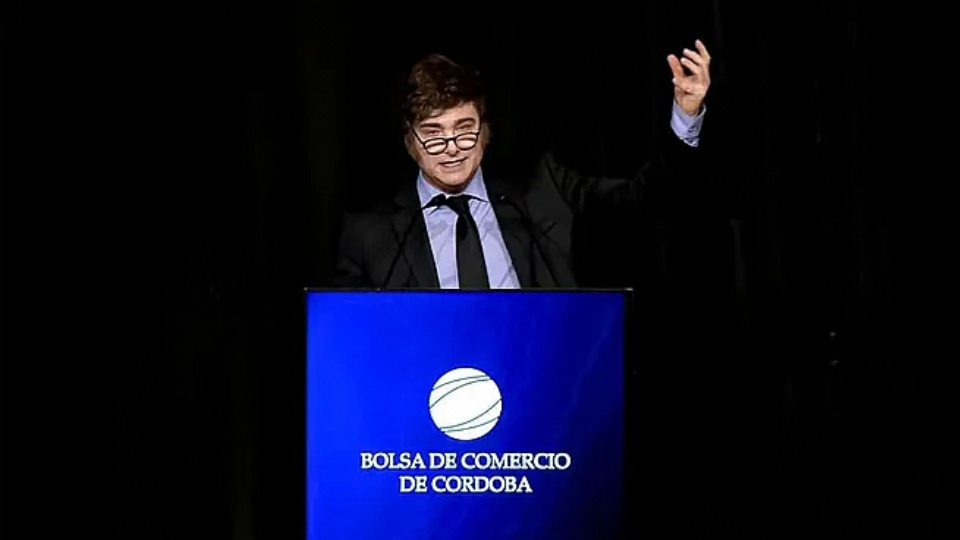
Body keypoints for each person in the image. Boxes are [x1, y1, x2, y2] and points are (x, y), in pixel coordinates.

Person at [333, 40, 712, 289]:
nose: (452, 148)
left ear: (485, 131)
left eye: (464, 130)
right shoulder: (370, 234)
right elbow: (349, 340)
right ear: (410, 141)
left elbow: (646, 199)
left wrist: (686, 116)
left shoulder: (540, 190)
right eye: (433, 133)